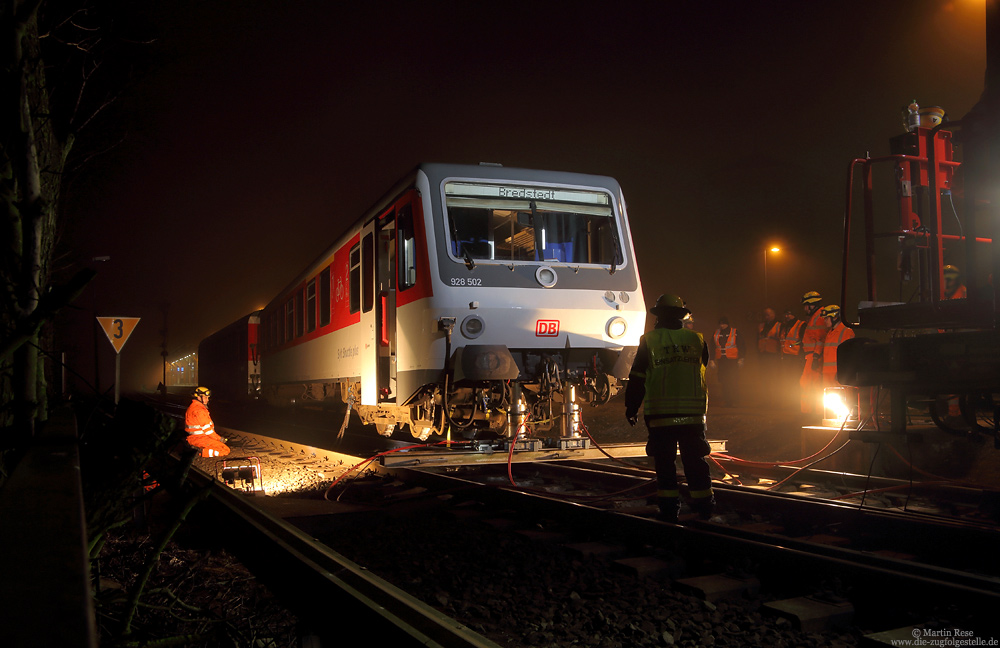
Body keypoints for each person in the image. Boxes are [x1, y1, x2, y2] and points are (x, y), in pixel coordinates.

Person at [625, 294, 714, 522]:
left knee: (665, 465)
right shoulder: (697, 340)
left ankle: (669, 508)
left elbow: (637, 377)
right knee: (695, 462)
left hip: (660, 416)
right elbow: (702, 368)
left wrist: (631, 407)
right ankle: (705, 507)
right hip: (693, 416)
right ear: (682, 316)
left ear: (658, 317)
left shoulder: (650, 340)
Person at [799, 291, 826, 417]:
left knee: (813, 385)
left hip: (814, 356)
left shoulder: (819, 316)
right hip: (811, 355)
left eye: (806, 305)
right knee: (807, 384)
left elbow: (820, 338)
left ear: (812, 304)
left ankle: (816, 412)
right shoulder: (816, 316)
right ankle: (809, 412)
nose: (805, 308)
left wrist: (816, 356)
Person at [185, 386, 230, 458]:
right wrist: (219, 439)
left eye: (208, 397)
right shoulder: (199, 410)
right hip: (199, 439)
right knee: (225, 450)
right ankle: (200, 451)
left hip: (197, 437)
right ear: (199, 398)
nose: (207, 400)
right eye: (205, 397)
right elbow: (208, 430)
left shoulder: (194, 407)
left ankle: (198, 449)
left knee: (219, 445)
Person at [709, 316, 743, 407]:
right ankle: (728, 401)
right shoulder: (716, 333)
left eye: (723, 323)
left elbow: (741, 345)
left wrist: (741, 358)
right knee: (724, 381)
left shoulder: (735, 332)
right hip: (722, 361)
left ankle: (736, 401)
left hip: (732, 361)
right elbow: (712, 347)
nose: (722, 325)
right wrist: (711, 359)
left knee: (733, 381)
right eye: (720, 324)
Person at [779, 309, 805, 408]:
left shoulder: (801, 325)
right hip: (786, 357)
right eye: (785, 314)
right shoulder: (784, 326)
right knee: (788, 381)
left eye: (789, 314)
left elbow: (802, 341)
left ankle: (796, 403)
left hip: (796, 357)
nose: (787, 316)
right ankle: (789, 402)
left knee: (796, 381)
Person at [757, 307, 781, 405]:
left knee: (773, 378)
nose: (767, 316)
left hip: (773, 356)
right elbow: (758, 340)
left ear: (773, 315)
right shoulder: (761, 326)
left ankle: (774, 400)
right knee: (764, 378)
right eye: (765, 315)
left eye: (769, 314)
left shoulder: (779, 325)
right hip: (763, 355)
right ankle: (765, 400)